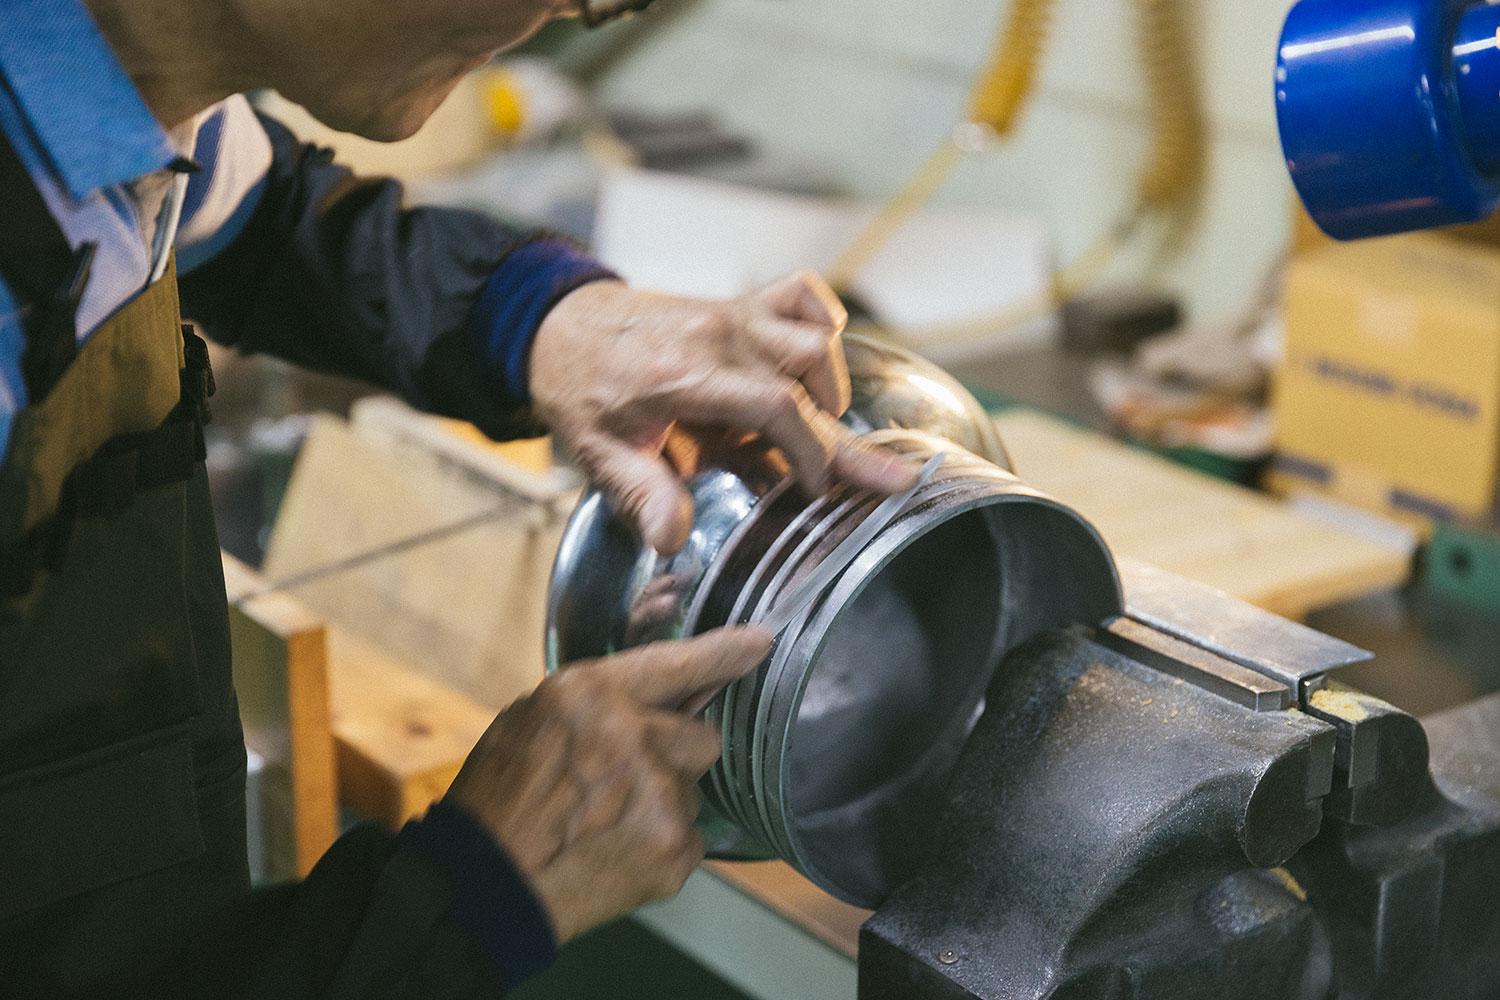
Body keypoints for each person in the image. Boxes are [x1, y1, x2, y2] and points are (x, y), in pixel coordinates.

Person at [0, 0, 919, 995]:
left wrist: (547, 322)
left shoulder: (123, 98)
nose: (574, 12)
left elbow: (265, 223)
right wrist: (453, 902)